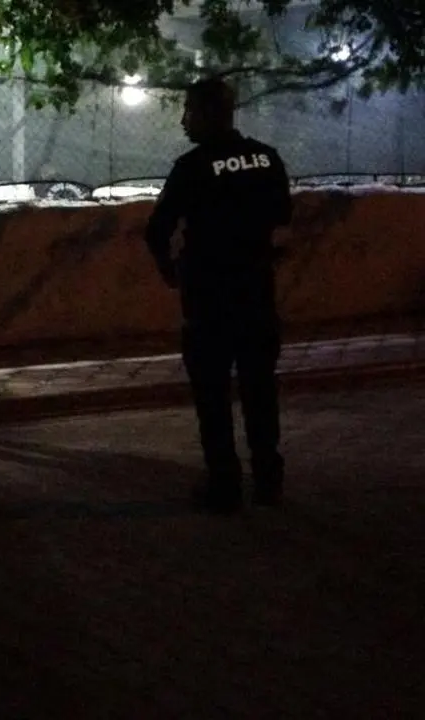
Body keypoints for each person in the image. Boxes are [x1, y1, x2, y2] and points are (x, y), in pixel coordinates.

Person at [144, 78, 293, 514]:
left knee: (212, 396)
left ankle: (224, 484)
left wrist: (170, 271)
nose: (183, 120)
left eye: (188, 110)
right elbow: (283, 223)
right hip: (256, 294)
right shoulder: (267, 159)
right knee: (259, 389)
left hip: (209, 299)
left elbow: (156, 230)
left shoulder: (192, 167)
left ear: (209, 114)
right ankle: (267, 478)